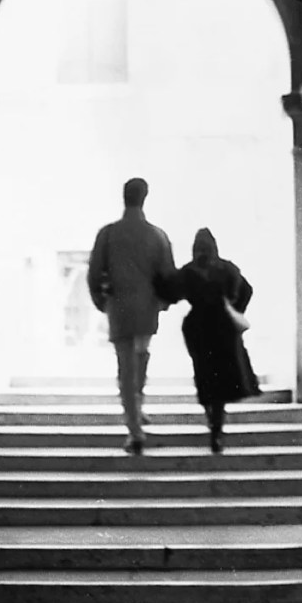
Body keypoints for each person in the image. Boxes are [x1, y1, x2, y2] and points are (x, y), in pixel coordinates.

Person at [87, 177, 176, 455]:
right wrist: (161, 303)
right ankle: (137, 408)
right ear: (145, 198)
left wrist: (103, 302)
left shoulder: (109, 233)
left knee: (125, 365)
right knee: (140, 356)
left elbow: (93, 273)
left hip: (120, 307)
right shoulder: (157, 235)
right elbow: (168, 275)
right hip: (146, 307)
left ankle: (134, 428)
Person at [160, 227, 261, 453]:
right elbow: (247, 290)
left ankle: (212, 422)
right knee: (221, 380)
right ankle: (217, 427)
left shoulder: (188, 272)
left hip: (198, 329)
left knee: (205, 376)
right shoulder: (227, 268)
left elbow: (170, 292)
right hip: (223, 327)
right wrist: (235, 308)